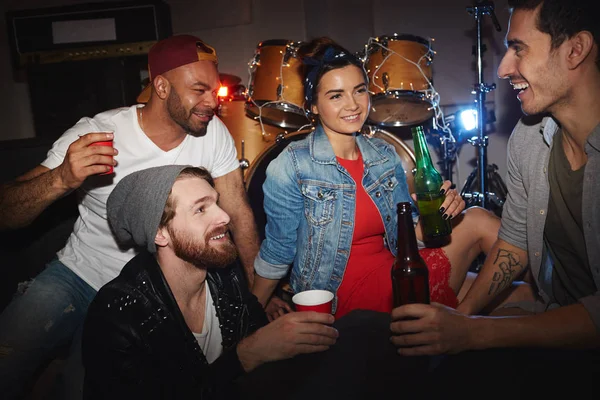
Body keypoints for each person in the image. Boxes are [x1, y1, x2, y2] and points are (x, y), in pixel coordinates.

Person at [0, 35, 260, 399]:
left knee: (85, 389)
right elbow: (7, 214)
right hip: (80, 275)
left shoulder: (212, 133)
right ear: (162, 86)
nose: (210, 103)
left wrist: (257, 291)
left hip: (148, 297)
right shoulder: (97, 132)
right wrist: (61, 178)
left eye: (212, 91)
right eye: (198, 90)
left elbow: (237, 209)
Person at [389, 0, 600, 385]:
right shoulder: (529, 138)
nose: (503, 69)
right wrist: (460, 319)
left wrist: (473, 333)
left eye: (518, 48)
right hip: (552, 315)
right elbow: (516, 240)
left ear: (575, 49)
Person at [251, 37, 530, 321]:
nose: (353, 105)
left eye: (359, 91)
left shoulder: (383, 155)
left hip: (397, 272)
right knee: (478, 220)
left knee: (524, 296)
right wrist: (251, 320)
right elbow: (278, 251)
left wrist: (438, 217)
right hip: (342, 298)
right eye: (336, 96)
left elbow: (405, 236)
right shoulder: (291, 165)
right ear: (313, 106)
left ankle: (455, 328)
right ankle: (458, 325)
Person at [82, 165, 337, 399]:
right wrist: (244, 357)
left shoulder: (225, 273)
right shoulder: (118, 315)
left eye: (216, 203)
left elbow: (257, 341)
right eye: (201, 209)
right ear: (159, 233)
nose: (225, 217)